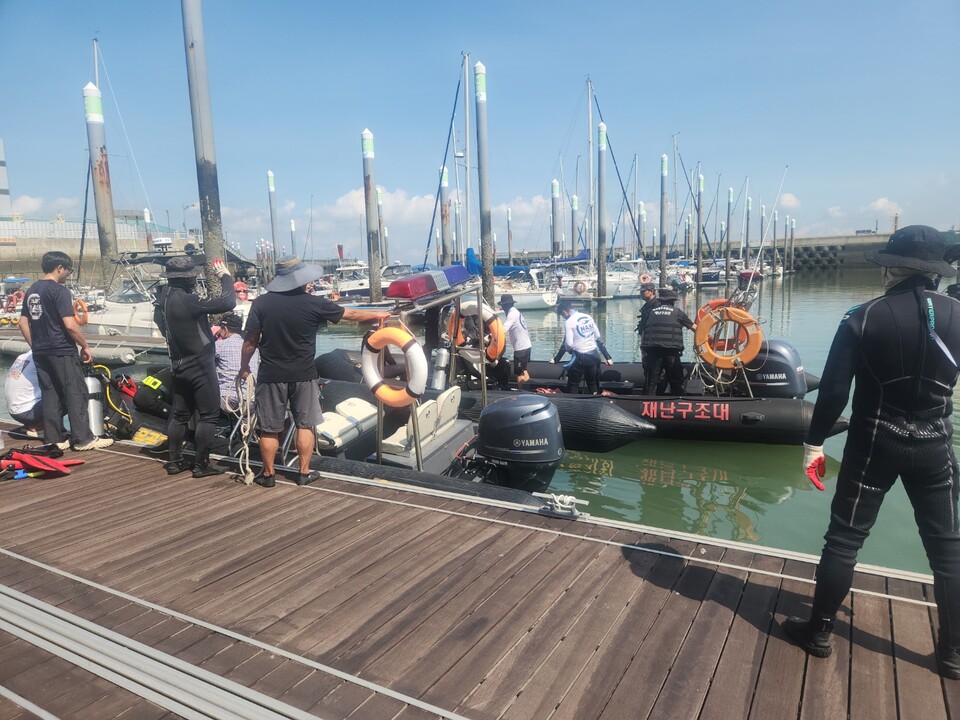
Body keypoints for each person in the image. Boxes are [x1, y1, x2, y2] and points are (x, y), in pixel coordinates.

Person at [783, 225, 960, 680]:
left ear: (891, 267)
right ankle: (954, 653)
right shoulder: (958, 313)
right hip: (936, 444)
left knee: (844, 539)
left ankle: (818, 632)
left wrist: (814, 443)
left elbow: (834, 394)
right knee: (948, 552)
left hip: (873, 443)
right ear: (936, 272)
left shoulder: (862, 316)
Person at [240, 255, 390, 488]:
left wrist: (243, 367)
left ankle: (268, 475)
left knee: (269, 428)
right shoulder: (314, 303)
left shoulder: (261, 303)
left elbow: (250, 341)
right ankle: (303, 472)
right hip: (304, 373)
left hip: (271, 374)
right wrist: (378, 314)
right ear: (299, 279)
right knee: (305, 424)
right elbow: (349, 314)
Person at [17, 251, 113, 451]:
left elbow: (22, 322)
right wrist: (84, 345)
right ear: (59, 268)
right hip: (61, 349)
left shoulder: (32, 290)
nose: (68, 274)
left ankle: (55, 438)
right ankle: (83, 439)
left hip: (41, 352)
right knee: (74, 391)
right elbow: (69, 324)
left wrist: (35, 345)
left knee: (50, 394)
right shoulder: (59, 291)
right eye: (67, 270)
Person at [162, 255, 236, 478]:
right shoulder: (188, 300)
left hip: (179, 364)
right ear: (187, 279)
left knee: (180, 415)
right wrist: (226, 278)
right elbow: (228, 303)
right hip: (200, 365)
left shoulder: (164, 298)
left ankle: (174, 462)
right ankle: (201, 465)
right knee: (209, 415)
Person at [640, 288, 695, 395]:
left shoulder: (649, 312)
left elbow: (643, 332)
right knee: (676, 382)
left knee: (651, 383)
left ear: (661, 300)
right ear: (673, 301)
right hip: (671, 352)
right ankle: (678, 404)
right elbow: (695, 328)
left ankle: (647, 404)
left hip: (653, 352)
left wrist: (643, 352)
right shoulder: (678, 313)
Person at [551, 300, 613, 395]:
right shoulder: (588, 317)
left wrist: (568, 352)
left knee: (573, 384)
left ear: (564, 312)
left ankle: (572, 406)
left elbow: (568, 344)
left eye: (561, 315)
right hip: (594, 355)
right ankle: (596, 403)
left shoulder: (569, 322)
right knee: (592, 383)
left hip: (580, 357)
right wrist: (608, 357)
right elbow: (597, 336)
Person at [215, 312, 259, 411]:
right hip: (249, 400)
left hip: (225, 397)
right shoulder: (254, 350)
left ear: (225, 329)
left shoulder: (219, 345)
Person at [5, 351, 43, 437]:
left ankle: (32, 424)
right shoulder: (42, 357)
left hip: (14, 412)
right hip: (28, 412)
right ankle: (39, 427)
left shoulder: (22, 357)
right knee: (72, 393)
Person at [500, 294, 532, 389]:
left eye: (502, 305)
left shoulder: (511, 314)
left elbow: (503, 330)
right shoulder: (516, 312)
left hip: (520, 348)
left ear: (505, 305)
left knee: (519, 373)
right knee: (524, 370)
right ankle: (528, 391)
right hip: (527, 345)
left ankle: (521, 393)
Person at [635, 282, 661, 390]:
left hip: (653, 342)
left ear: (651, 292)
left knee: (654, 368)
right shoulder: (647, 305)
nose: (641, 294)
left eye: (643, 292)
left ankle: (655, 391)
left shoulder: (657, 305)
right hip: (645, 341)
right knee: (646, 367)